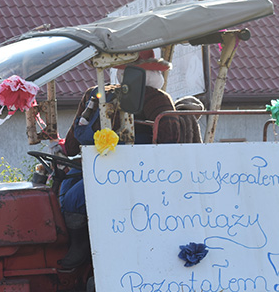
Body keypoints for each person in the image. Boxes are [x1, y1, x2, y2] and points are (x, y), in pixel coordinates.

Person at [57, 51, 185, 269]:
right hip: (99, 163)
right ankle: (82, 244)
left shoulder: (156, 100)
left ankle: (83, 250)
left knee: (73, 199)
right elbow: (71, 146)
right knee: (63, 186)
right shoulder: (94, 96)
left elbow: (169, 143)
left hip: (139, 172)